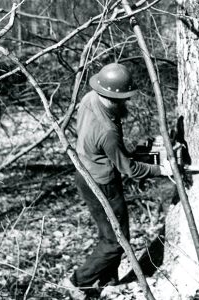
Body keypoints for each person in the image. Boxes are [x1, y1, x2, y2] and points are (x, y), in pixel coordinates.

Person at [61, 63, 172, 299]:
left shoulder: (90, 98)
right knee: (116, 242)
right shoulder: (107, 131)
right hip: (103, 184)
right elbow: (129, 168)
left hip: (85, 173)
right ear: (115, 97)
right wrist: (162, 169)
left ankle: (107, 282)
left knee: (109, 234)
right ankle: (78, 282)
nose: (126, 103)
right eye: (124, 99)